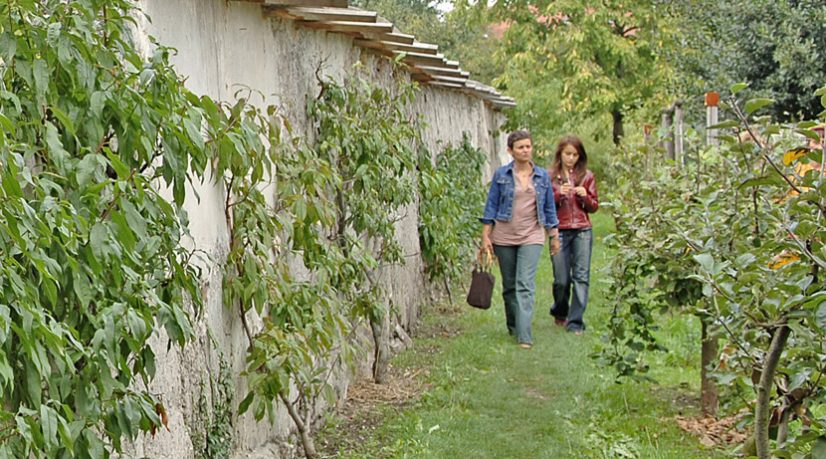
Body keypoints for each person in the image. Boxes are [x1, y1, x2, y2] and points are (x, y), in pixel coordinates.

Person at [480, 130, 561, 349]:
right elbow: (491, 205)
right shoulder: (501, 175)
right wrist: (485, 235)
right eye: (520, 147)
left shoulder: (542, 176)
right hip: (504, 236)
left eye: (528, 146)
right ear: (510, 151)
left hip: (532, 235)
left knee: (524, 283)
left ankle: (524, 335)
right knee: (509, 286)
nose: (525, 150)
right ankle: (514, 326)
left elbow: (549, 207)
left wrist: (554, 235)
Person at [548, 135, 599, 335]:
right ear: (560, 154)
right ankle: (560, 310)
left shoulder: (587, 176)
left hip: (582, 229)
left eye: (575, 155)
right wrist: (560, 193)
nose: (571, 158)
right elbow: (546, 203)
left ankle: (575, 322)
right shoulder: (550, 176)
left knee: (581, 276)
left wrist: (585, 197)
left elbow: (594, 207)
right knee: (561, 278)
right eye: (567, 154)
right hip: (559, 229)